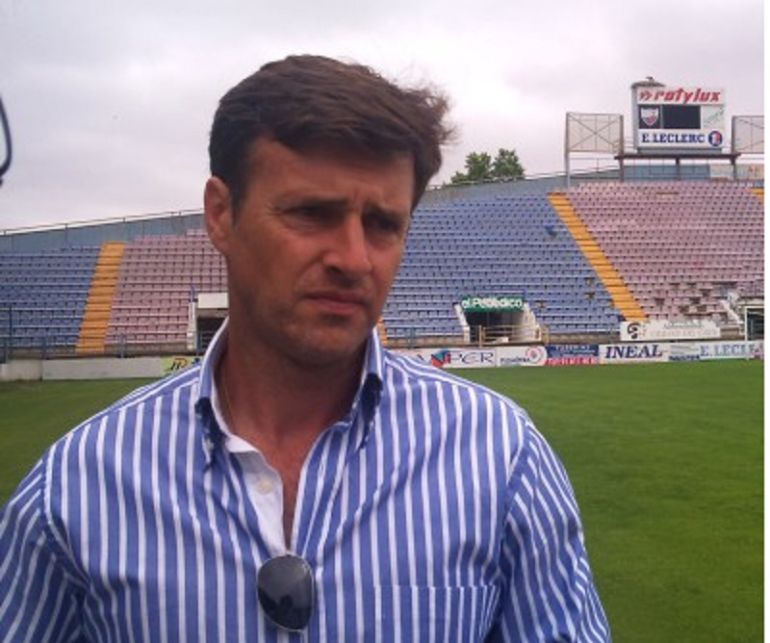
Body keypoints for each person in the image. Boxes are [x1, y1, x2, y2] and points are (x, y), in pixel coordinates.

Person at [0, 55, 610, 641]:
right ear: (221, 214)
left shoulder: (501, 459)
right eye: (312, 213)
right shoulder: (76, 488)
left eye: (383, 224)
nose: (353, 259)